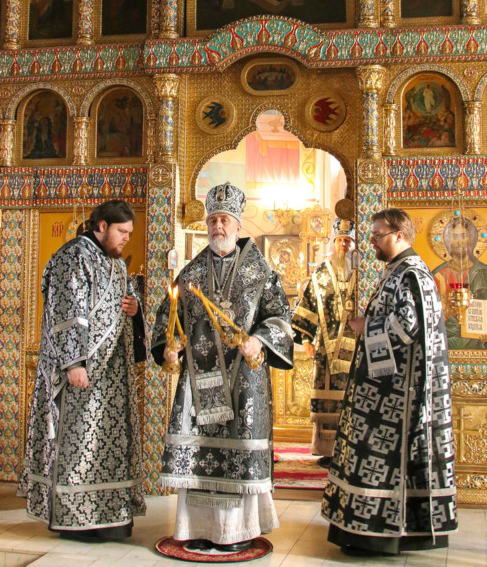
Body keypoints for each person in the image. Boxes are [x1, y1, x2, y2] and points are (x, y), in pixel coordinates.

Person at [152, 182, 293, 552]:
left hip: (243, 379)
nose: (218, 226)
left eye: (224, 220)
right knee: (199, 453)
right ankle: (197, 529)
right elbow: (169, 316)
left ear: (238, 225)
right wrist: (168, 349)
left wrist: (259, 340)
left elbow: (281, 315)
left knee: (238, 448)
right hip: (199, 380)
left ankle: (236, 533)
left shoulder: (260, 272)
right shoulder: (191, 273)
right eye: (213, 219)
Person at [322, 208, 457, 556]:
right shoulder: (397, 271)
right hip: (383, 389)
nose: (372, 241)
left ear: (399, 235)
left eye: (378, 235)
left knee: (376, 458)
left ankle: (378, 535)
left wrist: (365, 326)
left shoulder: (411, 274)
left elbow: (406, 327)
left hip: (395, 397)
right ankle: (364, 530)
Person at [19, 200, 147, 541]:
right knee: (78, 445)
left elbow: (127, 301)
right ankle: (75, 520)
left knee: (108, 446)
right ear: (102, 226)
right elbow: (66, 310)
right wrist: (74, 363)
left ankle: (111, 519)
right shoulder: (73, 256)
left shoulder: (116, 263)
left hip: (112, 378)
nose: (126, 239)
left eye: (129, 233)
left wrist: (134, 309)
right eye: (122, 231)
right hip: (82, 373)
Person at [291, 218, 356, 467]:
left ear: (354, 244)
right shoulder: (321, 273)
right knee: (328, 401)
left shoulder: (363, 273)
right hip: (326, 350)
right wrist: (306, 338)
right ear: (334, 242)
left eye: (348, 240)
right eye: (340, 240)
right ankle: (328, 451)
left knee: (352, 401)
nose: (343, 245)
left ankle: (351, 451)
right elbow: (308, 306)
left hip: (357, 350)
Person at [433, 216, 487, 349]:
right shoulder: (438, 275)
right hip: (445, 337)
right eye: (454, 236)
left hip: (477, 339)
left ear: (472, 239)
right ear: (447, 240)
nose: (459, 242)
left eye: (463, 236)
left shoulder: (483, 272)